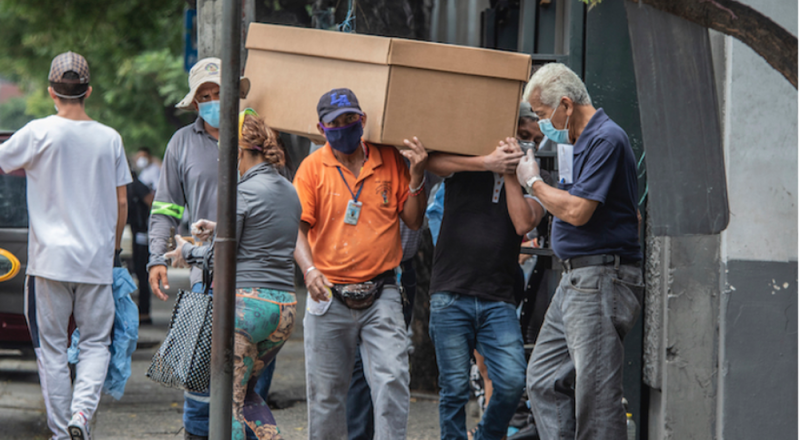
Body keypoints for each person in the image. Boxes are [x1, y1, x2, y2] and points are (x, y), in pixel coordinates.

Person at [0, 51, 132, 440]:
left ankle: (63, 433)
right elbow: (121, 202)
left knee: (51, 351)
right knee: (95, 344)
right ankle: (81, 416)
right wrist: (112, 253)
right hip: (95, 262)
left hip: (48, 264)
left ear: (51, 92)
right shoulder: (110, 138)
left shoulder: (37, 132)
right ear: (88, 91)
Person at [515, 62, 643, 440]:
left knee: (598, 399)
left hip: (599, 278)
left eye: (541, 115)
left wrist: (533, 181)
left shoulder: (605, 138)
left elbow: (577, 210)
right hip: (578, 279)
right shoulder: (582, 142)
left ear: (565, 105)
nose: (541, 125)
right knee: (542, 379)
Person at [293, 88, 427, 439]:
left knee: (392, 381)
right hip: (328, 297)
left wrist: (417, 176)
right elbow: (297, 230)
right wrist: (310, 271)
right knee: (325, 395)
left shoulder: (389, 160)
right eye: (334, 123)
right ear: (321, 130)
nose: (344, 127)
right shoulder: (311, 169)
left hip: (381, 293)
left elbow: (413, 221)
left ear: (362, 120)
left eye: (350, 119)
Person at [147, 57, 268, 440]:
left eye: (220, 93)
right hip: (200, 277)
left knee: (249, 384)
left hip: (254, 275)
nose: (214, 100)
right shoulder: (182, 142)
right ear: (195, 102)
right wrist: (155, 259)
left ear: (235, 95)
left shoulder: (258, 139)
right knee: (198, 374)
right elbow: (164, 210)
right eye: (205, 95)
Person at [165, 112, 301, 440]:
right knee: (248, 392)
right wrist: (217, 229)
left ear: (237, 152)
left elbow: (220, 257)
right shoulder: (288, 190)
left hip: (246, 309)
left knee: (229, 404)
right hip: (283, 310)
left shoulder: (240, 192)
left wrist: (187, 252)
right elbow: (259, 234)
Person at [425, 119, 546, 439]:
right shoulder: (472, 158)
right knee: (452, 390)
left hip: (498, 297)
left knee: (511, 381)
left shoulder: (537, 180)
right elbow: (432, 162)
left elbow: (522, 223)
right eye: (523, 136)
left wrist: (511, 173)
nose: (527, 144)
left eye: (535, 140)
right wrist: (488, 162)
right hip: (451, 291)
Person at [126, 169, 155, 324]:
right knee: (139, 271)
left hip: (143, 234)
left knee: (142, 272)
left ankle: (144, 313)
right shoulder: (132, 185)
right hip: (137, 233)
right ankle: (143, 312)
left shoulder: (136, 185)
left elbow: (152, 201)